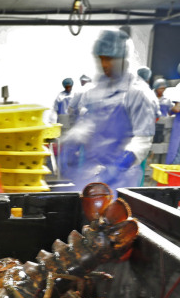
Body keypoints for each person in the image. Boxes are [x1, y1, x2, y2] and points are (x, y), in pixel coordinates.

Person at [60, 29, 154, 190]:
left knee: (116, 213)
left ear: (123, 59)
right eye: (101, 59)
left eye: (109, 59)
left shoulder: (138, 92)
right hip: (93, 170)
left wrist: (120, 165)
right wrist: (73, 139)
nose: (104, 65)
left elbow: (142, 139)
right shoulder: (99, 88)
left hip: (122, 176)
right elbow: (91, 121)